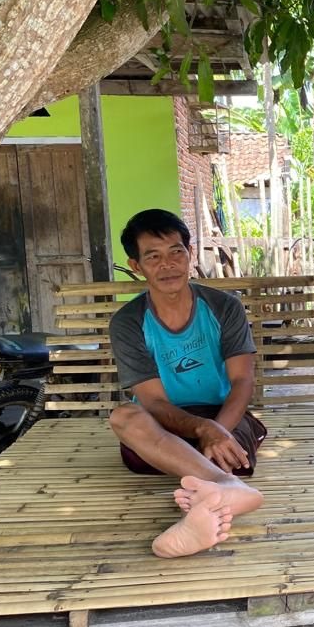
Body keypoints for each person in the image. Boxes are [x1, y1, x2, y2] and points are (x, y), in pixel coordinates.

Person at [108, 209, 265, 558]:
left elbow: (242, 380)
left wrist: (218, 430)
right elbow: (153, 403)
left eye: (176, 252)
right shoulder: (128, 322)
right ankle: (227, 487)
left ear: (190, 254)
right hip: (163, 425)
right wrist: (203, 431)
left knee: (226, 452)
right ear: (136, 266)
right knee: (123, 417)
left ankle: (196, 515)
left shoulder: (224, 307)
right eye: (153, 256)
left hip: (224, 416)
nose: (168, 264)